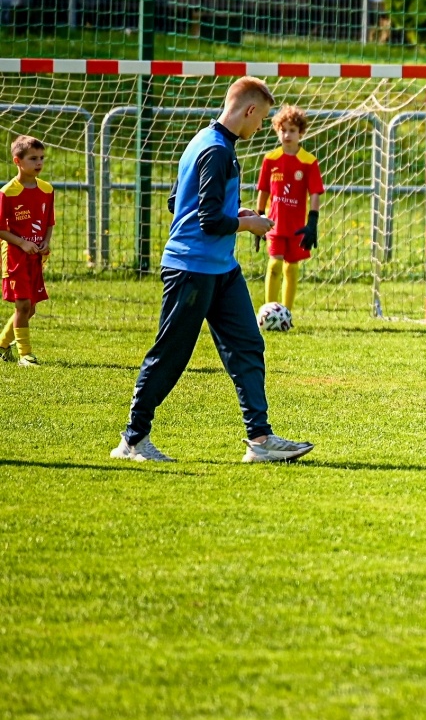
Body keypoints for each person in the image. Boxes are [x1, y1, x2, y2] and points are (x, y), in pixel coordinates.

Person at [112, 77, 315, 464]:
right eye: (262, 119)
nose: (261, 129)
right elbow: (205, 220)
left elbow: (177, 203)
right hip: (191, 269)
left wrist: (233, 214)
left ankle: (260, 440)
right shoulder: (217, 150)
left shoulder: (205, 141)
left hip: (222, 268)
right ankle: (133, 439)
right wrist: (248, 224)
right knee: (171, 353)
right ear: (249, 111)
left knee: (248, 345)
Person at [255, 105, 324, 317]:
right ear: (277, 130)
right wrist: (259, 217)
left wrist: (312, 221)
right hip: (274, 224)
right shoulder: (270, 159)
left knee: (291, 268)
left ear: (301, 133)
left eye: (292, 130)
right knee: (274, 265)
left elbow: (315, 193)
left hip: (297, 228)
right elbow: (264, 190)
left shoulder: (309, 162)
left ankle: (286, 314)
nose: (287, 134)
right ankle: (269, 313)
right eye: (283, 130)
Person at [0, 135, 55, 366]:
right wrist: (22, 243)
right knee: (22, 305)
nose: (39, 163)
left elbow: (49, 223)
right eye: (33, 158)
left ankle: (2, 344)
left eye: (41, 158)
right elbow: (1, 229)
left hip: (36, 258)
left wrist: (45, 241)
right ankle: (25, 354)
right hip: (14, 257)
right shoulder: (8, 192)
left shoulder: (47, 189)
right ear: (17, 161)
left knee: (30, 308)